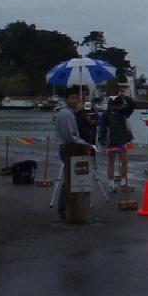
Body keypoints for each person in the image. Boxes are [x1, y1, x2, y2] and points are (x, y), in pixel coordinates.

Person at [54, 85, 88, 219]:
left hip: (68, 147)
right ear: (66, 99)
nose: (75, 101)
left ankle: (67, 207)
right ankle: (63, 208)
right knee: (69, 179)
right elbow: (70, 135)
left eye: (77, 98)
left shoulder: (69, 113)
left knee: (71, 178)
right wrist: (83, 143)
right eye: (72, 98)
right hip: (69, 148)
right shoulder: (66, 113)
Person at [99, 96, 134, 191]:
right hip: (120, 141)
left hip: (112, 141)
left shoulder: (107, 113)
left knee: (112, 162)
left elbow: (102, 129)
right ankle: (122, 184)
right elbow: (132, 104)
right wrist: (125, 96)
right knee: (123, 162)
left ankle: (112, 185)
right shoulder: (123, 112)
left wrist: (102, 141)